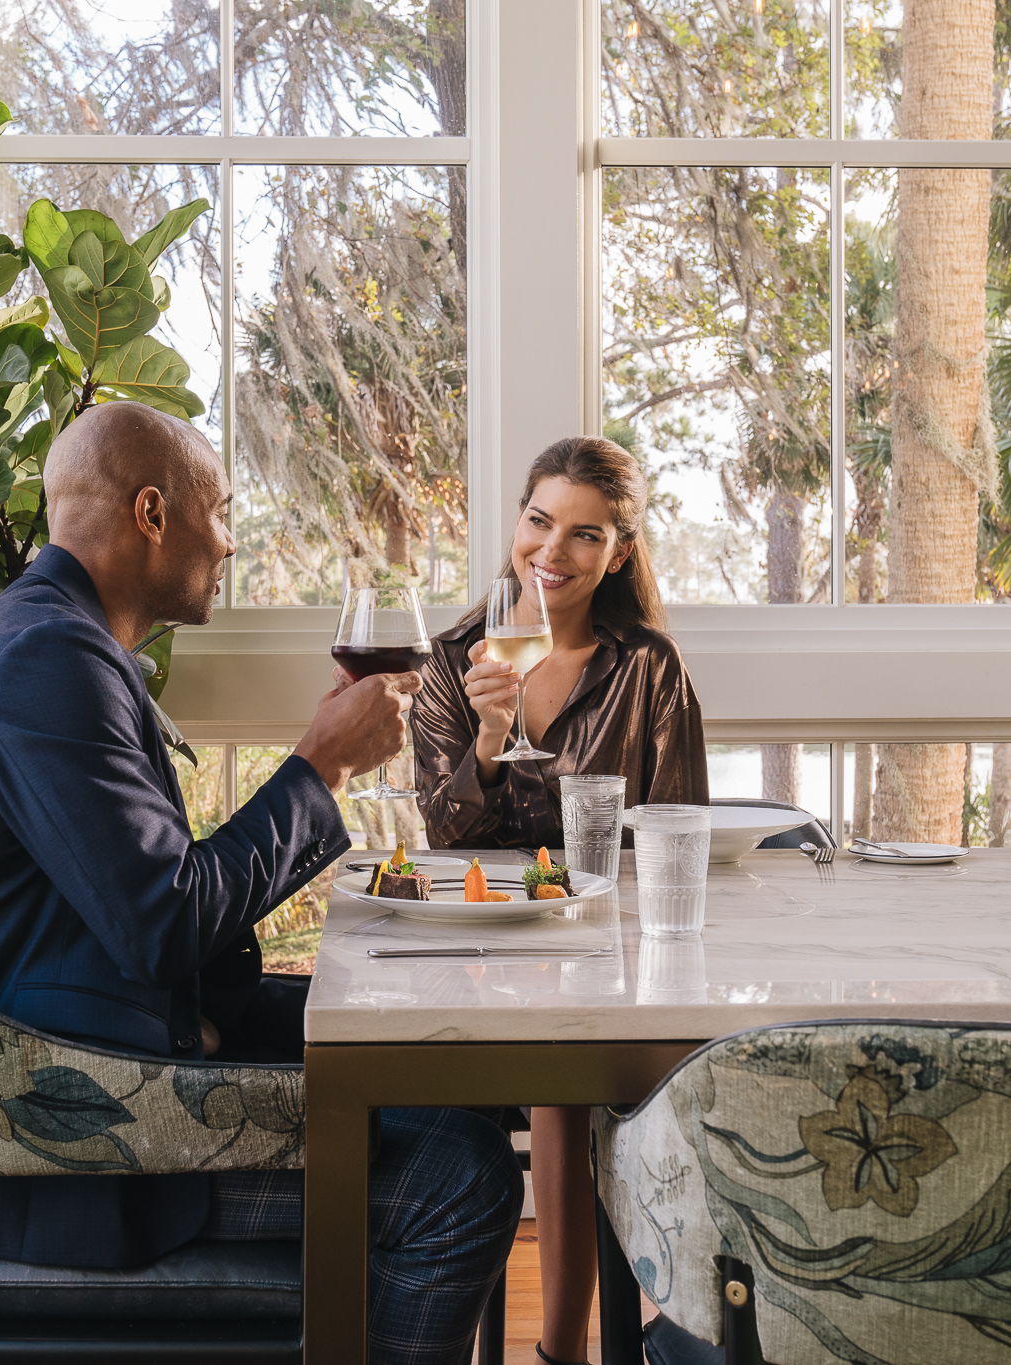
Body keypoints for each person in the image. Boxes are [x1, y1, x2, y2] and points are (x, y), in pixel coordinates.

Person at [0, 401, 522, 1365]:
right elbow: (166, 921)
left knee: (450, 1085)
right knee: (462, 1176)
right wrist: (317, 768)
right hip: (80, 1150)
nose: (229, 542)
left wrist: (324, 768)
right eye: (221, 512)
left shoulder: (45, 637)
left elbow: (144, 902)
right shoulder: (45, 660)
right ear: (153, 513)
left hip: (117, 1057)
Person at [410, 435, 707, 1365]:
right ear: (517, 521)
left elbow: (678, 836)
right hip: (482, 957)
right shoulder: (455, 659)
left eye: (585, 536)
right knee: (555, 1063)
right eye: (540, 522)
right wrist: (490, 738)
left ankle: (608, 1338)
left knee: (574, 1061)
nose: (553, 552)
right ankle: (565, 1353)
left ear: (618, 552)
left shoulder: (649, 667)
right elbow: (442, 846)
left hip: (617, 961)